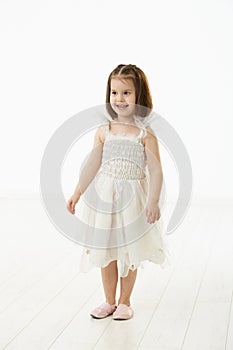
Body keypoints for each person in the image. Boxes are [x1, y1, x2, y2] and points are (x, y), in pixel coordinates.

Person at [67, 64, 172, 320]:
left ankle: (125, 302)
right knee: (105, 251)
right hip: (105, 199)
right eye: (115, 92)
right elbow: (92, 164)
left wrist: (154, 201)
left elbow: (156, 171)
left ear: (139, 96)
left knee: (128, 250)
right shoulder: (104, 130)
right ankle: (108, 301)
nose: (119, 99)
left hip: (132, 202)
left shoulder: (145, 133)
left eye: (126, 93)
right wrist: (78, 191)